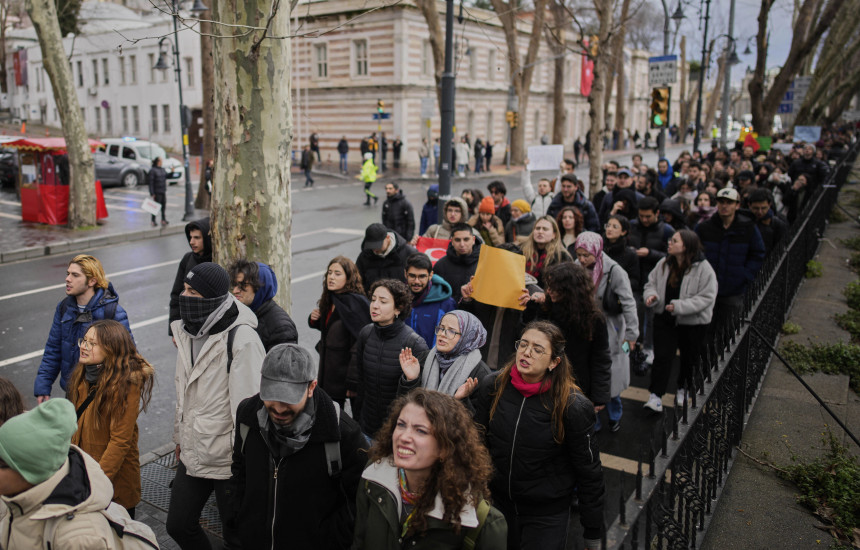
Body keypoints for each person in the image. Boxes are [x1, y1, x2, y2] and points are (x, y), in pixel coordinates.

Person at [474, 321, 605, 550]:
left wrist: (593, 532)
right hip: (497, 505)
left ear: (554, 362)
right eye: (523, 344)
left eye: (537, 349)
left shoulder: (572, 406)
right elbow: (477, 445)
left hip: (546, 515)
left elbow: (589, 473)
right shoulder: (493, 386)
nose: (526, 352)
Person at [229, 344, 369, 549]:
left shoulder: (342, 433)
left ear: (311, 387)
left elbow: (360, 501)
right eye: (272, 395)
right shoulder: (247, 414)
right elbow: (239, 472)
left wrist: (329, 540)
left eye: (288, 399)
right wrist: (236, 528)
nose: (278, 408)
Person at [167, 262, 265, 549]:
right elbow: (183, 392)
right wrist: (179, 436)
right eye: (184, 289)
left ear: (210, 297)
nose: (183, 297)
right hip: (193, 447)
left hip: (229, 460)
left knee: (237, 537)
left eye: (191, 292)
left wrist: (245, 462)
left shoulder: (242, 338)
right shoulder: (186, 331)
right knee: (178, 525)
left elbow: (249, 406)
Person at [354, 389, 507, 549]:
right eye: (401, 425)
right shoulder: (373, 477)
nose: (404, 437)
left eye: (420, 431)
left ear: (445, 447)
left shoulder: (482, 521)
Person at [0, 399, 157, 549]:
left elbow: (121, 439)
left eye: (2, 464)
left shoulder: (78, 538)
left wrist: (97, 479)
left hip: (113, 479)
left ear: (29, 470)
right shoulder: (16, 503)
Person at [68, 319, 155, 517]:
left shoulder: (125, 384)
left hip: (111, 483)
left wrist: (96, 482)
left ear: (110, 350)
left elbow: (120, 441)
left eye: (92, 343)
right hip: (85, 474)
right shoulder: (84, 374)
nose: (84, 346)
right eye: (84, 340)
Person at [35, 255, 132, 403]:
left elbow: (127, 356)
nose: (68, 279)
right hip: (72, 391)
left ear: (92, 281)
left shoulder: (113, 312)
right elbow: (53, 348)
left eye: (75, 275)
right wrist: (43, 385)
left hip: (101, 394)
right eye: (68, 274)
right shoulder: (64, 308)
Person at [643, 229, 717, 411]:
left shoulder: (703, 268)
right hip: (665, 319)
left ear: (686, 246)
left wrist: (679, 307)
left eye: (674, 241)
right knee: (662, 357)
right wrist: (651, 295)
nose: (670, 243)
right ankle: (656, 396)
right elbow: (650, 284)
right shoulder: (664, 263)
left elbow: (707, 297)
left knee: (689, 358)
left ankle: (684, 389)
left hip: (692, 323)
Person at [347, 279, 429, 439]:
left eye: (383, 301)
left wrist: (411, 379)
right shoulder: (366, 334)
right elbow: (361, 384)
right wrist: (357, 422)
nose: (375, 305)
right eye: (373, 299)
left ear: (398, 309)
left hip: (397, 433)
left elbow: (421, 397)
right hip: (366, 428)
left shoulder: (414, 343)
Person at [573, 232, 638, 432]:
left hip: (612, 328)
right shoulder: (576, 266)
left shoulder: (614, 271)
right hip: (584, 327)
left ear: (597, 252)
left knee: (612, 374)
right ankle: (594, 418)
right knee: (589, 372)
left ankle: (614, 414)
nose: (582, 260)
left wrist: (632, 335)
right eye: (579, 254)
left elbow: (629, 303)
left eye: (586, 256)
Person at [524, 263, 611, 409]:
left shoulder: (593, 319)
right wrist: (532, 307)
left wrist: (599, 396)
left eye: (555, 287)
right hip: (543, 381)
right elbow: (525, 336)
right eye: (548, 286)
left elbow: (600, 359)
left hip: (575, 386)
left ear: (569, 290)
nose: (549, 291)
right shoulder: (546, 309)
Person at [695, 187, 765, 332]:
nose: (725, 206)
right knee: (705, 331)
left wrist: (744, 275)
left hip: (734, 289)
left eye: (729, 202)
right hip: (707, 288)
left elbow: (757, 254)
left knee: (729, 332)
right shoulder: (704, 228)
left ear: (737, 205)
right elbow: (695, 252)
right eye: (721, 202)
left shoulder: (747, 227)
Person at [399, 310, 491, 411]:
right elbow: (403, 406)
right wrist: (411, 380)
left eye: (451, 331)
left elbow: (478, 423)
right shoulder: (424, 358)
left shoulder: (481, 374)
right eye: (441, 328)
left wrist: (461, 400)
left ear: (467, 337)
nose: (442, 334)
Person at [309, 257, 371, 406]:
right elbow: (333, 328)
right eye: (330, 272)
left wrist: (353, 381)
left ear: (349, 277)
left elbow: (359, 343)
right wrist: (315, 319)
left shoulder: (356, 303)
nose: (331, 277)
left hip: (345, 374)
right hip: (329, 371)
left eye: (337, 273)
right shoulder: (332, 299)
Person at [228, 260, 298, 352]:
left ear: (260, 287)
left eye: (242, 285)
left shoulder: (281, 327)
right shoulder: (241, 314)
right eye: (235, 285)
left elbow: (283, 365)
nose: (235, 290)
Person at [169, 217, 212, 336]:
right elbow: (176, 296)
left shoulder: (216, 260)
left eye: (197, 237)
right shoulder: (188, 259)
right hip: (188, 327)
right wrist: (174, 330)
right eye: (190, 237)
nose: (192, 242)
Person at [404, 253, 457, 348]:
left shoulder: (446, 303)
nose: (416, 281)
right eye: (412, 276)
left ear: (430, 275)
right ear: (405, 274)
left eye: (422, 276)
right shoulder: (397, 298)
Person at [356, 222, 420, 288]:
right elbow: (357, 281)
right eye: (371, 246)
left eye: (378, 245)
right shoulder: (365, 256)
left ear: (388, 238)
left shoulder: (409, 253)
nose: (374, 249)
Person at [433, 223, 482, 302]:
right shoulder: (440, 265)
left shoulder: (483, 264)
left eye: (466, 239)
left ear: (473, 240)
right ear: (452, 241)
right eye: (457, 240)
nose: (462, 244)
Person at [521, 215, 572, 288]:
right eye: (537, 228)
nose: (540, 232)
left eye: (545, 229)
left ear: (554, 235)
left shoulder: (562, 256)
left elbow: (565, 285)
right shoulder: (523, 251)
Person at [603, 214, 640, 291]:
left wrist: (617, 284)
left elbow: (634, 281)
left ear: (623, 232)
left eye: (615, 227)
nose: (609, 229)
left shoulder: (630, 254)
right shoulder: (600, 249)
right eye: (608, 225)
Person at [747, 188, 788, 256]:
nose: (760, 212)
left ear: (769, 205)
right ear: (749, 205)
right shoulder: (745, 221)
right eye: (756, 208)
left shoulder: (778, 224)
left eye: (763, 208)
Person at [148, 156, 168, 226]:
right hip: (157, 192)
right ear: (158, 162)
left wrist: (172, 172)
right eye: (160, 161)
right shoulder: (153, 170)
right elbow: (151, 182)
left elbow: (166, 176)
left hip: (163, 191)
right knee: (155, 206)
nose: (162, 162)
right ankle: (153, 220)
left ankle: (163, 219)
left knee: (163, 206)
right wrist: (152, 192)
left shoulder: (162, 169)